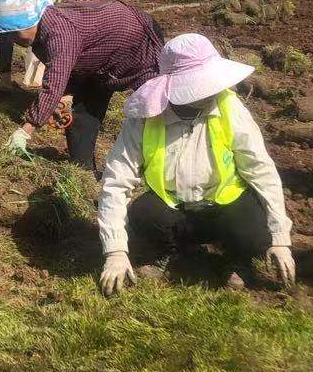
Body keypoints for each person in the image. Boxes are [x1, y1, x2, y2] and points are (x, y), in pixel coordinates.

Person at [97, 34, 296, 294]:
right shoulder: (145, 119)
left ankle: (237, 259)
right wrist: (115, 252)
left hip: (224, 209)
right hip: (175, 212)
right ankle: (173, 253)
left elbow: (261, 170)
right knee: (144, 214)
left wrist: (280, 239)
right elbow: (116, 180)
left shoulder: (230, 109)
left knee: (255, 229)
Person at [0, 0, 161, 171]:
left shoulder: (59, 31)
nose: (14, 40)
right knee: (82, 111)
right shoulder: (39, 36)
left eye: (15, 33)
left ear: (29, 20)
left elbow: (54, 83)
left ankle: (154, 167)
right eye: (8, 35)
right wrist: (65, 97)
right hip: (98, 59)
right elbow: (63, 70)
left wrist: (25, 131)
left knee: (154, 110)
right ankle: (83, 170)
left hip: (138, 42)